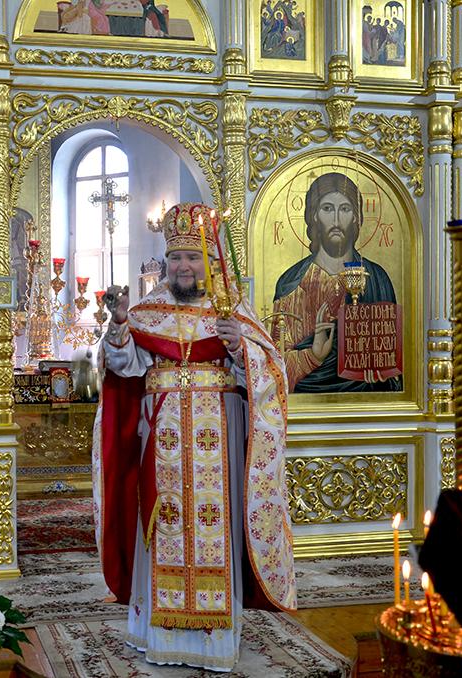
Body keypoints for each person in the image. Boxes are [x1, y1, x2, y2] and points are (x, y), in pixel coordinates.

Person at [92, 202, 295, 672]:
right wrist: (118, 328)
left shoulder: (232, 313)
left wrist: (239, 347)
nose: (184, 267)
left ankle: (214, 642)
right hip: (161, 445)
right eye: (176, 258)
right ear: (166, 262)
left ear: (211, 261)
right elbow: (124, 368)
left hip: (218, 444)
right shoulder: (146, 313)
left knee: (214, 532)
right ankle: (157, 634)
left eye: (193, 257)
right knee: (161, 525)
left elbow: (270, 376)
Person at [270, 172, 400, 393]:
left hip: (368, 406)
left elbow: (391, 358)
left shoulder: (377, 279)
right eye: (327, 209)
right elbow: (274, 363)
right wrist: (314, 355)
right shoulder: (291, 284)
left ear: (356, 217)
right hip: (303, 402)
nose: (337, 221)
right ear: (314, 216)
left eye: (345, 209)